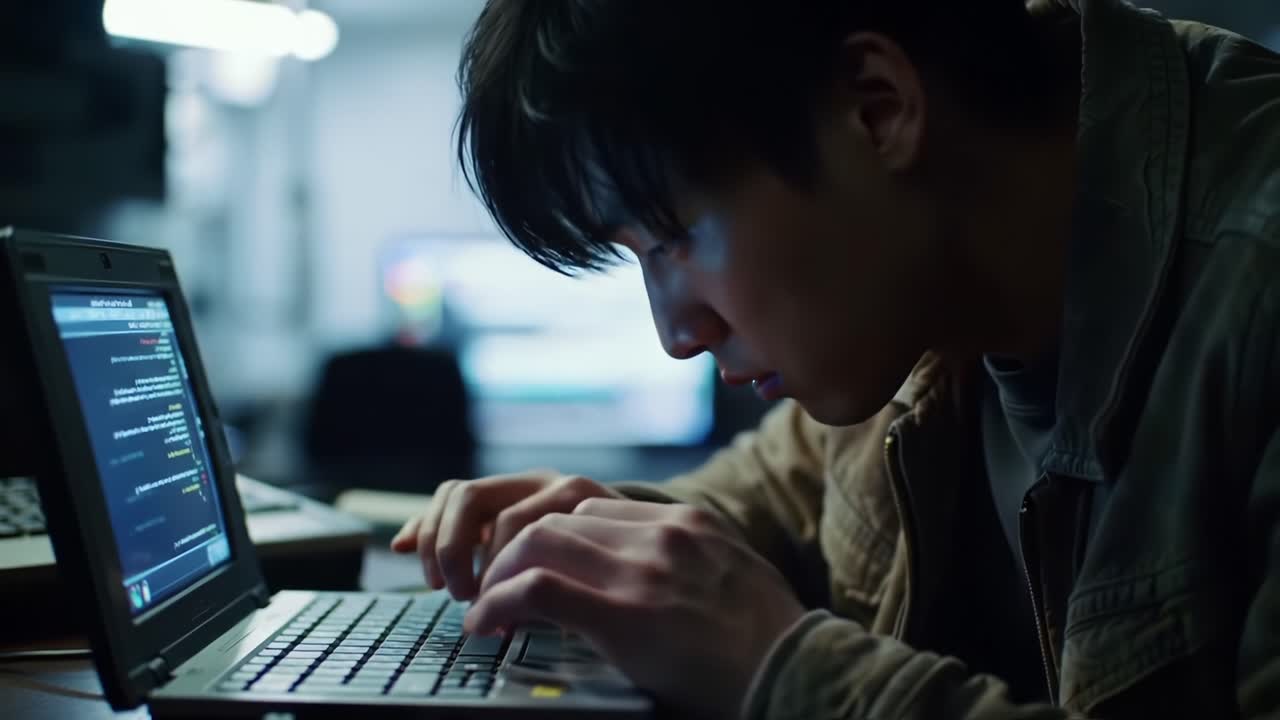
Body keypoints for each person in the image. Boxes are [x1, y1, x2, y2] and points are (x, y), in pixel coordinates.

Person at [390, 1, 1280, 717]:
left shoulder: (1256, 283)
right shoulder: (920, 297)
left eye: (668, 239)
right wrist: (607, 535)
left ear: (878, 108)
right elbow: (774, 491)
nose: (677, 336)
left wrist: (778, 669)